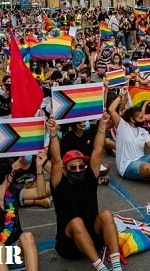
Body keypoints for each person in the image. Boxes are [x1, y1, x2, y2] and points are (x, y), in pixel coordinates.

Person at [49, 114, 122, 271]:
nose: (78, 169)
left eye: (81, 166)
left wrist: (102, 125)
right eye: (73, 167)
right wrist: (53, 134)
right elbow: (56, 159)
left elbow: (97, 151)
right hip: (69, 245)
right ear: (64, 170)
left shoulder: (89, 177)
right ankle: (101, 268)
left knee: (106, 214)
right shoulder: (59, 183)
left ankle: (116, 266)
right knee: (76, 221)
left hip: (94, 239)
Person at [108, 87, 150, 191]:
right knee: (147, 168)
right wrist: (121, 95)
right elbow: (111, 110)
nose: (143, 120)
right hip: (127, 166)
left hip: (142, 159)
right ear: (132, 119)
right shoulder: (122, 126)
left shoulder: (143, 131)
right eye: (140, 118)